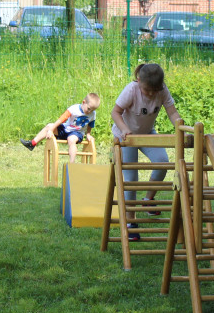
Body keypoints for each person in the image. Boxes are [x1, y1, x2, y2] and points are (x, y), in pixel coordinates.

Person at [110, 63, 184, 241]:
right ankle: (130, 220)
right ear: (139, 80)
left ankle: (148, 200)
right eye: (148, 90)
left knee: (163, 163)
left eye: (155, 90)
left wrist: (180, 125)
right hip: (126, 136)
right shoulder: (132, 90)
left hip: (147, 133)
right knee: (131, 178)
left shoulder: (162, 90)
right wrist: (124, 129)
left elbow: (172, 112)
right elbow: (115, 112)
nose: (151, 94)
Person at [20, 93, 100, 162]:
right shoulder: (74, 109)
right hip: (65, 129)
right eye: (89, 109)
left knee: (71, 140)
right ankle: (32, 143)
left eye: (92, 110)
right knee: (49, 126)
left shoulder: (93, 114)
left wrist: (88, 134)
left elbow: (91, 124)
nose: (89, 112)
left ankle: (71, 164)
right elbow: (61, 119)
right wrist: (51, 130)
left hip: (77, 133)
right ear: (84, 102)